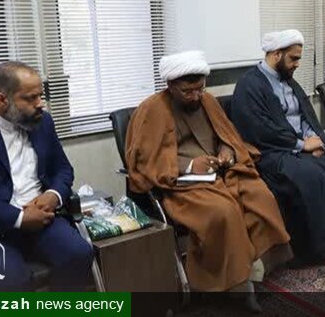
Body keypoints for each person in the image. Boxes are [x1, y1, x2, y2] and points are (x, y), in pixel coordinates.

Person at [125, 50, 291, 303]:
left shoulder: (207, 101)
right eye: (187, 92)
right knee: (223, 211)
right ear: (170, 85)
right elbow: (144, 160)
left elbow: (227, 135)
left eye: (200, 89)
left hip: (221, 173)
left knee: (261, 196)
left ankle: (256, 268)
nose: (195, 97)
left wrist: (227, 150)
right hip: (180, 184)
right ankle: (234, 284)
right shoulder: (151, 110)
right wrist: (190, 165)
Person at [227, 30, 325, 266]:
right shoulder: (249, 85)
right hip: (271, 151)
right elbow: (259, 130)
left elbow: (305, 116)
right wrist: (301, 145)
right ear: (276, 54)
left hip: (301, 145)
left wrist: (315, 140)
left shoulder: (288, 79)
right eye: (294, 58)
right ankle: (310, 250)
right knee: (310, 176)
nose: (298, 64)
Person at [0, 61, 94, 290]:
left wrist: (53, 195)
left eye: (40, 96)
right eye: (30, 98)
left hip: (41, 218)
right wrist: (18, 218)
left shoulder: (42, 121)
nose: (40, 104)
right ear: (2, 100)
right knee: (10, 281)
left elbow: (63, 169)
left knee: (79, 253)